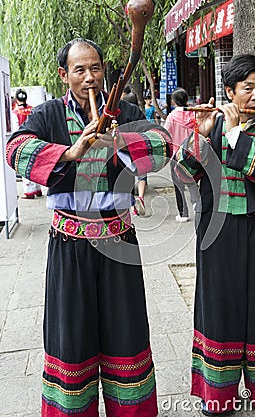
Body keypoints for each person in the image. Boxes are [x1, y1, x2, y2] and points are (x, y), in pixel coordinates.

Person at [6, 38, 172, 416]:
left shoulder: (125, 111)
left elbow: (162, 144)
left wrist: (123, 141)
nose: (89, 78)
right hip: (70, 244)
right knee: (72, 338)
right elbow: (15, 149)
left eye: (95, 68)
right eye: (79, 70)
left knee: (125, 334)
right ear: (64, 75)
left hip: (119, 242)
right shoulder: (49, 115)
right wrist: (69, 152)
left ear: (104, 71)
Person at [174, 54, 255, 415]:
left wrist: (233, 133)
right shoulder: (212, 130)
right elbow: (183, 173)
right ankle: (218, 393)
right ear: (229, 92)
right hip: (217, 233)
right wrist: (203, 134)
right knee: (218, 307)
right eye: (247, 89)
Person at [165, 87, 200, 222]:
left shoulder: (172, 117)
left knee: (178, 185)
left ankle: (183, 213)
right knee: (192, 181)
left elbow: (166, 136)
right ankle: (198, 206)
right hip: (192, 154)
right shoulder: (194, 114)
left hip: (176, 154)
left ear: (173, 101)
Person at [12, 88, 43, 198]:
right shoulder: (32, 109)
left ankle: (29, 191)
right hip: (36, 139)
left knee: (26, 164)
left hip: (24, 141)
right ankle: (38, 189)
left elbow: (15, 129)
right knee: (37, 163)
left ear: (16, 99)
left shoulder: (15, 112)